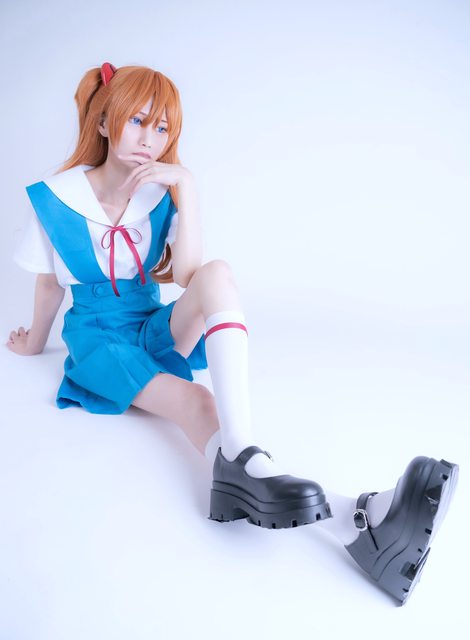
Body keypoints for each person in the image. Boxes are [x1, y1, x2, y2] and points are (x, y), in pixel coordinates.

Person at [7, 62, 458, 605]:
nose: (150, 139)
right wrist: (35, 342)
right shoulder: (55, 199)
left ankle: (243, 453)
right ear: (104, 122)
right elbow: (49, 287)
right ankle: (357, 517)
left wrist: (187, 188)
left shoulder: (159, 194)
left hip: (150, 324)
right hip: (99, 342)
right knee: (197, 402)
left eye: (162, 127)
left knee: (218, 272)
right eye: (137, 121)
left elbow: (190, 276)